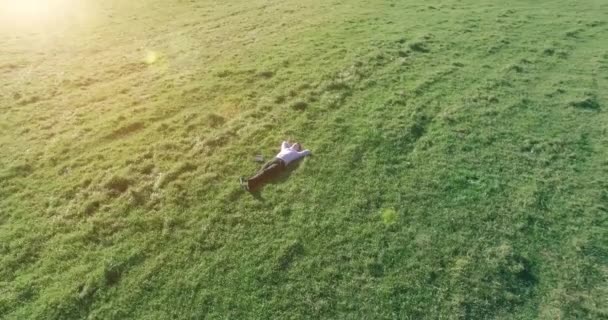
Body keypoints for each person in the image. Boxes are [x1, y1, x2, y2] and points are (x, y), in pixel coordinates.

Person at [240, 141, 311, 191]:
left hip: (280, 163)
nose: (295, 145)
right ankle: (251, 187)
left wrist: (299, 150)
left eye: (297, 146)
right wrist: (290, 146)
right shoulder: (285, 148)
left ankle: (247, 183)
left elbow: (307, 151)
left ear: (298, 149)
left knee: (265, 172)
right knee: (261, 171)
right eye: (294, 144)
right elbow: (284, 142)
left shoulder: (297, 154)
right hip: (273, 160)